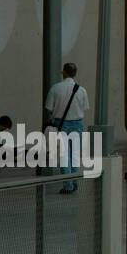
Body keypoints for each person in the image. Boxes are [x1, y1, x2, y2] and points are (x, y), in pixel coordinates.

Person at [44, 62, 89, 193]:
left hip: (61, 124)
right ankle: (74, 181)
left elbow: (49, 108)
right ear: (75, 74)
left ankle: (68, 185)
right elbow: (85, 108)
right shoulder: (81, 90)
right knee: (74, 154)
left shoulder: (55, 88)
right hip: (77, 124)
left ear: (64, 72)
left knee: (64, 156)